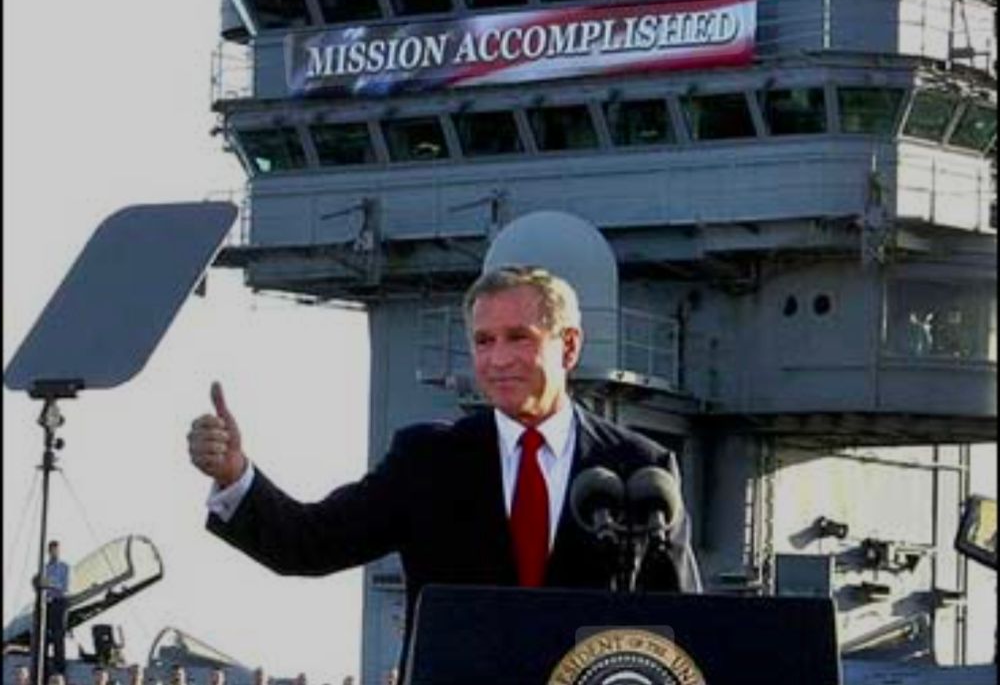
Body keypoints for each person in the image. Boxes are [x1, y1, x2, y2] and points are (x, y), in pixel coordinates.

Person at [187, 265, 701, 671]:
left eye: (518, 337)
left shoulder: (640, 469)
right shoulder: (427, 461)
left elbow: (686, 628)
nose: (497, 359)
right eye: (484, 341)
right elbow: (309, 542)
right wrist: (235, 477)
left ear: (568, 345)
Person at [42, 540, 71, 676]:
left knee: (58, 635)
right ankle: (44, 667)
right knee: (44, 635)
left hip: (60, 602)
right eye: (52, 550)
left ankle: (59, 668)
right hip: (47, 603)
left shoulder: (65, 567)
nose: (54, 552)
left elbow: (65, 588)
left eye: (56, 550)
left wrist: (51, 585)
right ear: (49, 551)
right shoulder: (45, 568)